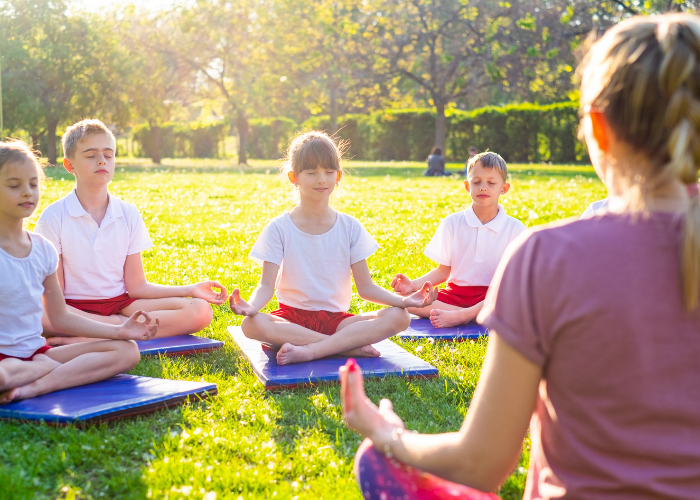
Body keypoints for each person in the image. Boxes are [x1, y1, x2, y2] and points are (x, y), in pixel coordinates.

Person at [340, 14, 700, 500]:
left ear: (597, 127)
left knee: (379, 464)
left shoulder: (547, 257)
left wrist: (386, 434)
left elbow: (480, 464)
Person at [229, 131, 437, 365]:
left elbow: (366, 288)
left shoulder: (350, 227)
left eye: (329, 172)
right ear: (293, 177)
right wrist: (252, 306)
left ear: (338, 176)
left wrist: (404, 301)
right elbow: (266, 286)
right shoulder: (279, 228)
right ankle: (343, 347)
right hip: (291, 319)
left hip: (338, 322)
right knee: (251, 324)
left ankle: (313, 350)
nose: (321, 180)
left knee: (399, 317)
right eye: (311, 172)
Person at [35, 119, 227, 344]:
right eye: (91, 155)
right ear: (70, 166)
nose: (101, 161)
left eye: (108, 154)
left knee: (200, 310)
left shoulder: (128, 213)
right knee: (42, 316)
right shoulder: (53, 216)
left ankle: (93, 336)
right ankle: (116, 330)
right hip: (73, 309)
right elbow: (55, 299)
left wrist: (191, 289)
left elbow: (137, 286)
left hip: (122, 305)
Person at [0, 141, 159, 404]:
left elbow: (60, 317)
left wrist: (121, 331)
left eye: (33, 184)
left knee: (127, 351)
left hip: (38, 353)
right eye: (14, 185)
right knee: (5, 374)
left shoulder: (43, 250)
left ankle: (34, 385)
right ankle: (21, 375)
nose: (27, 193)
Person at [392, 152, 525, 328]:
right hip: (455, 297)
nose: (483, 187)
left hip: (494, 296)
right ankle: (476, 315)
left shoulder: (515, 228)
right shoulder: (452, 222)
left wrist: (466, 312)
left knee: (516, 296)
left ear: (504, 188)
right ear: (467, 186)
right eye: (476, 182)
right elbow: (443, 272)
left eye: (491, 183)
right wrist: (413, 286)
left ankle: (464, 316)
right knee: (399, 300)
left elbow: (515, 282)